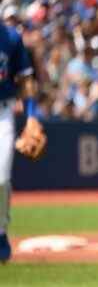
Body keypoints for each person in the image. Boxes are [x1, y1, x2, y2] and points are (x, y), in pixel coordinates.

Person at [0, 20, 45, 263]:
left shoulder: (10, 37)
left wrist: (31, 117)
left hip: (3, 113)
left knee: (1, 178)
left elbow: (26, 79)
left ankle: (0, 232)